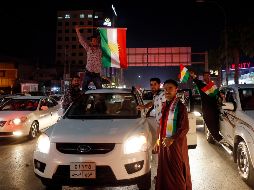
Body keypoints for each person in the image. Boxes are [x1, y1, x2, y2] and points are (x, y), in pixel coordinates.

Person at [155, 79, 192, 190]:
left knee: (176, 173)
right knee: (164, 171)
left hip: (176, 146)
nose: (167, 91)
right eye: (165, 89)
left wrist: (172, 139)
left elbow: (184, 128)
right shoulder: (165, 105)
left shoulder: (180, 107)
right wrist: (158, 140)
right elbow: (162, 125)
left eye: (170, 88)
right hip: (164, 144)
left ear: (176, 90)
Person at [189, 71, 223, 142]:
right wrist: (193, 76)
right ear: (203, 77)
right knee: (209, 122)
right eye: (205, 76)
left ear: (209, 77)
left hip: (215, 107)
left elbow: (218, 93)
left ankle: (218, 136)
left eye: (208, 76)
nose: (207, 77)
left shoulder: (212, 85)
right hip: (206, 108)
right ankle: (217, 137)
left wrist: (222, 96)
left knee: (216, 122)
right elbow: (196, 81)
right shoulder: (201, 84)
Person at [137, 78, 165, 147]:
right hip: (159, 124)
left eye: (155, 84)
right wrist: (143, 106)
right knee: (160, 144)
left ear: (159, 85)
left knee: (164, 145)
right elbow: (152, 103)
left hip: (165, 124)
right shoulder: (156, 95)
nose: (153, 86)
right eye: (151, 85)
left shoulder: (163, 95)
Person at [75, 26, 102, 91]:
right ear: (91, 42)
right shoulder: (88, 49)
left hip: (97, 73)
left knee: (100, 90)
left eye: (96, 40)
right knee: (84, 89)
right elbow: (81, 41)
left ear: (98, 42)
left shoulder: (101, 50)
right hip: (88, 72)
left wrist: (101, 31)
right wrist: (77, 31)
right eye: (93, 40)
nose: (95, 41)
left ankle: (98, 101)